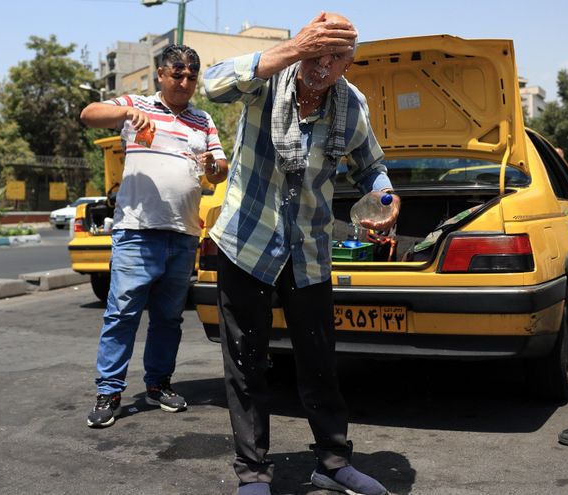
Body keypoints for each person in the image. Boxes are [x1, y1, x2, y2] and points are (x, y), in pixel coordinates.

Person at [203, 12, 398, 495]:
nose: (322, 64)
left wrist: (387, 198)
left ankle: (332, 464)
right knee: (247, 362)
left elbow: (370, 165)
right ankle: (252, 471)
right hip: (247, 244)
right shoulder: (267, 80)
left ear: (348, 64)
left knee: (319, 361)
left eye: (335, 57)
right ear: (303, 46)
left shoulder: (352, 106)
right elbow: (212, 83)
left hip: (308, 251)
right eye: (316, 50)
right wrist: (291, 49)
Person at [80, 44, 229, 428]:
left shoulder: (203, 120)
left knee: (168, 318)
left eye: (191, 76)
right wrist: (125, 111)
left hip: (183, 234)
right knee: (122, 314)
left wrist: (214, 164)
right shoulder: (137, 106)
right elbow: (89, 114)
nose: (184, 82)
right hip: (136, 232)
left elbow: (219, 172)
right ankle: (109, 390)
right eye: (177, 74)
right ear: (160, 73)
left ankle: (158, 384)